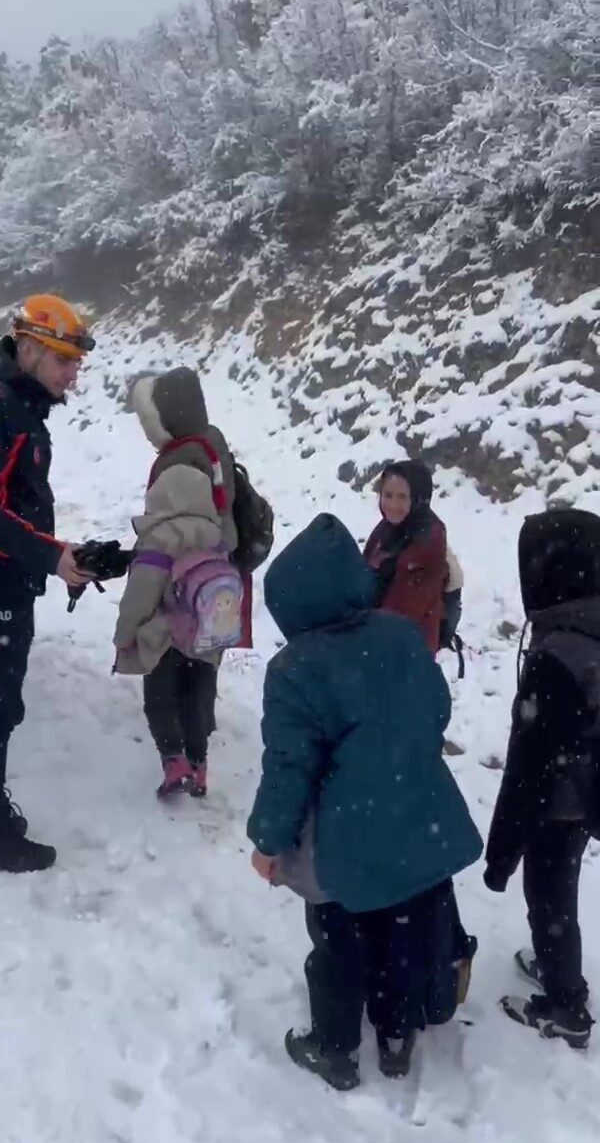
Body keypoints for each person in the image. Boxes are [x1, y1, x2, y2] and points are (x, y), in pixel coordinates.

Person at [248, 513, 482, 1089]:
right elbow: (436, 709)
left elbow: (288, 766)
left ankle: (335, 1049)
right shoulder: (399, 635)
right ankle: (397, 1035)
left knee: (338, 942)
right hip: (413, 810)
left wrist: (269, 840)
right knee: (400, 927)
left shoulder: (295, 668)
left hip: (345, 832)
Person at [0, 294, 96, 873]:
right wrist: (49, 556)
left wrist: (59, 555)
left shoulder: (21, 409)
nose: (72, 376)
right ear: (28, 349)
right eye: (64, 361)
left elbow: (16, 504)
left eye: (77, 364)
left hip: (3, 578)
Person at [485, 508, 600, 1049]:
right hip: (587, 789)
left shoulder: (559, 653)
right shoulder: (590, 624)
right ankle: (557, 964)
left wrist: (501, 854)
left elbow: (527, 768)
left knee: (547, 890)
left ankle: (565, 1005)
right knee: (562, 882)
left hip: (561, 796)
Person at [114, 367, 238, 800]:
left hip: (167, 624)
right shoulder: (214, 449)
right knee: (199, 690)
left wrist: (125, 637)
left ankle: (174, 761)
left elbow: (141, 593)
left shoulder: (162, 535)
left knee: (160, 693)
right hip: (209, 611)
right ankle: (199, 765)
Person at [363, 460, 448, 652]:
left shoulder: (428, 540)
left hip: (406, 652)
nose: (393, 505)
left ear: (418, 498)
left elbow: (402, 611)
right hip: (377, 641)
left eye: (402, 497)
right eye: (388, 495)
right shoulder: (387, 529)